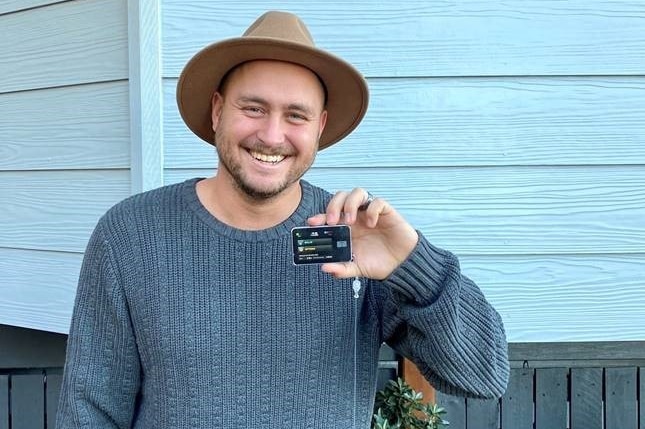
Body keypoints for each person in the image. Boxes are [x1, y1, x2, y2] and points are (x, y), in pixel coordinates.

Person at [56, 10, 509, 429]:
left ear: (320, 127)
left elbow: (483, 376)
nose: (272, 135)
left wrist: (413, 267)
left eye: (296, 115)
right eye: (253, 108)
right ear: (217, 110)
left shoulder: (355, 237)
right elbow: (88, 410)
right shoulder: (131, 235)